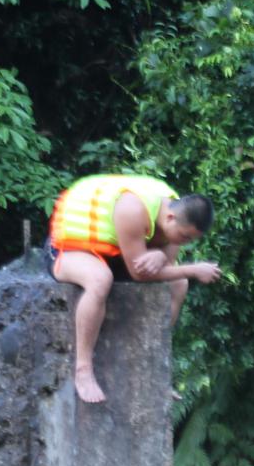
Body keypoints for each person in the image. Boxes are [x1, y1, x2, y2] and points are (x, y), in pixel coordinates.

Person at [46, 173, 223, 404]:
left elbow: (164, 267)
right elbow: (139, 273)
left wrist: (160, 256)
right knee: (100, 280)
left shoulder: (173, 212)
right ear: (170, 218)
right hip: (67, 249)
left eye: (190, 240)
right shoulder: (132, 209)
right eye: (184, 237)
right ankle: (83, 370)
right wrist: (192, 269)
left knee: (178, 285)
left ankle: (151, 369)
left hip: (113, 253)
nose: (183, 243)